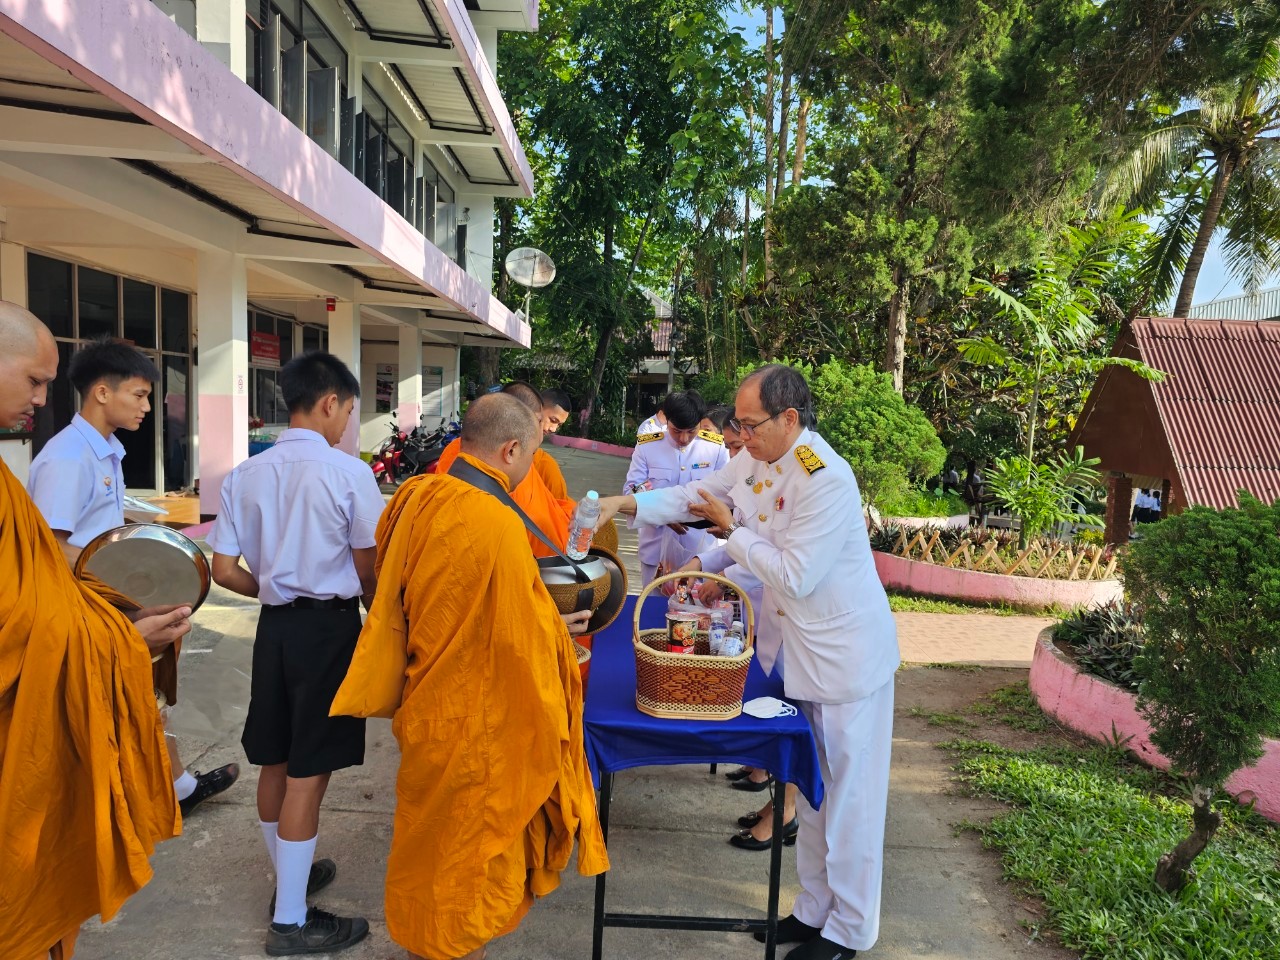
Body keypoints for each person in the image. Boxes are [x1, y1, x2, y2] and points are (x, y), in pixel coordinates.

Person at [593, 364, 900, 960]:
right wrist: (624, 504)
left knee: (851, 800)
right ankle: (814, 911)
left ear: (790, 418)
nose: (739, 435)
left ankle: (851, 931)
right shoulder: (758, 459)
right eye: (737, 423)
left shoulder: (826, 478)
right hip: (797, 654)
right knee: (811, 789)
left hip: (845, 659)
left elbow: (793, 573)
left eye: (750, 424)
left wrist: (729, 535)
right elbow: (696, 496)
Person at [330, 393, 609, 960]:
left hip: (427, 700)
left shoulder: (413, 496)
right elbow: (515, 639)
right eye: (531, 455)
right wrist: (555, 627)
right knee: (466, 864)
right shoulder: (496, 523)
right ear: (510, 450)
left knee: (429, 846)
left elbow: (407, 592)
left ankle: (429, 942)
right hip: (473, 718)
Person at [0, 300, 191, 960]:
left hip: (86, 625)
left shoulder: (100, 454)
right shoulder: (65, 458)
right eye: (34, 380)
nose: (41, 398)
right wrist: (116, 637)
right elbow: (45, 574)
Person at [209, 351, 383, 956]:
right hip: (328, 633)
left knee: (275, 760)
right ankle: (289, 922)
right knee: (310, 773)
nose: (348, 424)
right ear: (330, 402)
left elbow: (222, 569)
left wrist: (274, 587)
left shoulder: (244, 474)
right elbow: (368, 568)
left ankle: (291, 878)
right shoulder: (349, 473)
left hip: (275, 630)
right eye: (349, 411)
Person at [25, 336, 238, 817]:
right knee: (117, 701)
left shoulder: (105, 449)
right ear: (102, 392)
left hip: (107, 601)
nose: (147, 406)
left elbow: (98, 533)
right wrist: (130, 591)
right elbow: (50, 547)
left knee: (141, 695)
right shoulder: (68, 458)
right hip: (86, 607)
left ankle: (172, 788)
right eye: (139, 395)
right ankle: (143, 797)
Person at [431, 385, 591, 637]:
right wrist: (542, 626)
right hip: (522, 598)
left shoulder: (414, 495)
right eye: (545, 421)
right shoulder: (501, 522)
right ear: (512, 449)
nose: (546, 430)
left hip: (542, 578)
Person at [625, 390, 729, 585]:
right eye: (676, 431)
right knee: (652, 600)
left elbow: (726, 493)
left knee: (697, 602)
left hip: (700, 550)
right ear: (666, 420)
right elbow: (632, 489)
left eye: (691, 431)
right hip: (656, 549)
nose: (683, 438)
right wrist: (662, 513)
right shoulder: (648, 446)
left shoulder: (715, 448)